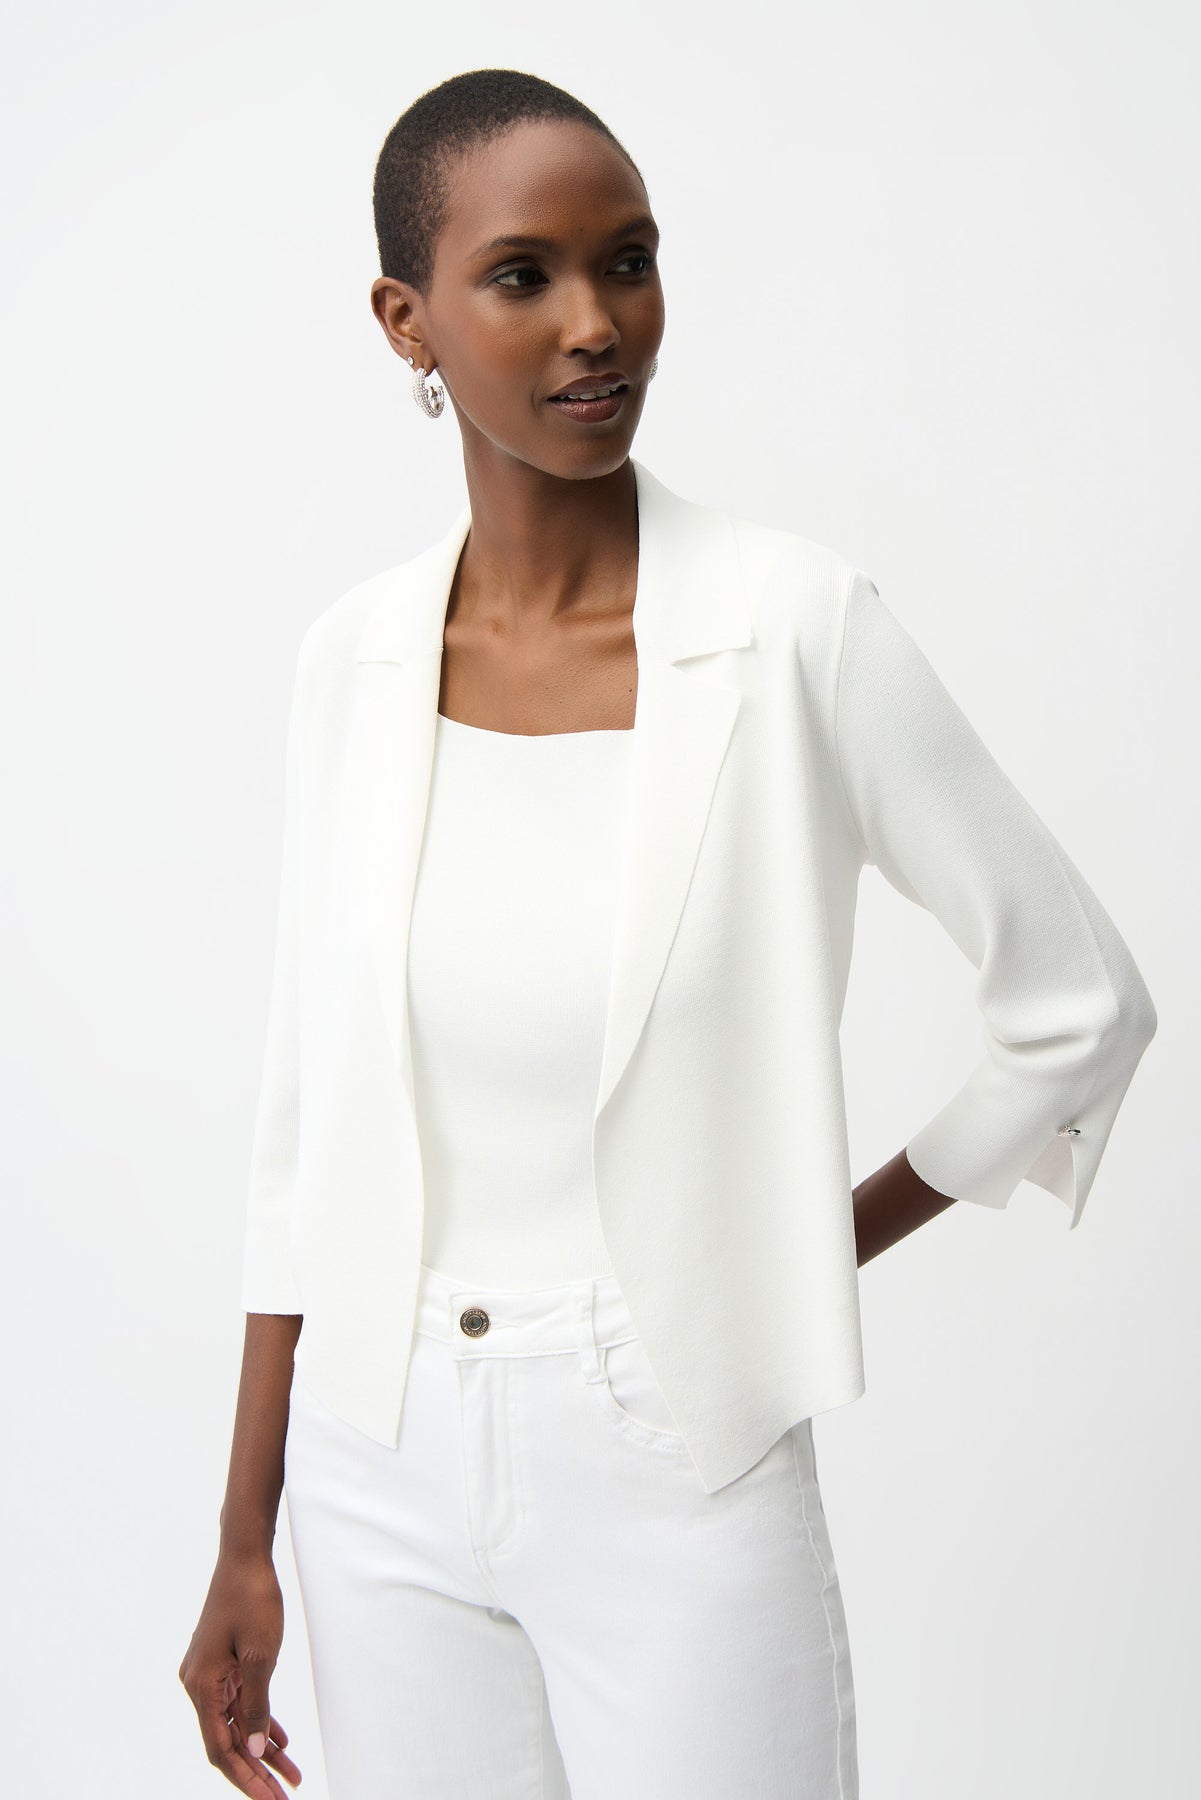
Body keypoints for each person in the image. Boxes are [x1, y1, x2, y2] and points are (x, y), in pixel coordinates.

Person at [178, 67, 1158, 1800]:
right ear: (406, 321)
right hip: (371, 1460)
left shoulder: (791, 628)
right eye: (523, 275)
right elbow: (301, 1130)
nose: (594, 323)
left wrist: (788, 1252)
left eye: (626, 261)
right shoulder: (356, 660)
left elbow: (1075, 1004)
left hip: (671, 1447)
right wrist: (244, 1534)